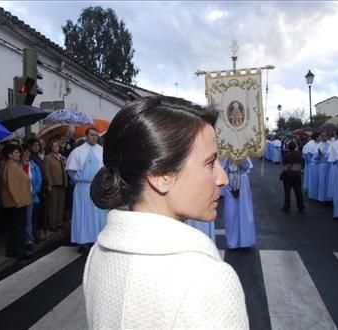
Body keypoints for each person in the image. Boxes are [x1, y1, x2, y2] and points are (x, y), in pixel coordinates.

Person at [85, 96, 248, 329]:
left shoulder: (97, 254)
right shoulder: (209, 279)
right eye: (210, 163)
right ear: (161, 176)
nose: (222, 178)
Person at [66, 127, 107, 254]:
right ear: (86, 136)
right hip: (83, 188)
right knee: (82, 215)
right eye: (92, 135)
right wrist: (80, 179)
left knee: (99, 215)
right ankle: (83, 242)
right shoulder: (77, 152)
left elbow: (107, 169)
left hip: (98, 187)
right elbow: (71, 171)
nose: (94, 137)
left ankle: (98, 240)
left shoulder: (102, 151)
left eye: (96, 135)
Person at [1, 144, 32, 260]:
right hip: (17, 203)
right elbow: (13, 187)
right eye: (16, 152)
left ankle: (12, 250)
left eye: (18, 152)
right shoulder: (11, 167)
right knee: (19, 228)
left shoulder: (13, 165)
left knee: (14, 228)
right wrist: (18, 202)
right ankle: (21, 251)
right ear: (9, 155)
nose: (19, 154)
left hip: (15, 202)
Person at [221, 156, 256, 248]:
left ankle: (245, 241)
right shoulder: (226, 158)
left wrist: (240, 159)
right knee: (230, 215)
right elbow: (223, 172)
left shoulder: (243, 156)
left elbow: (246, 167)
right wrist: (230, 189)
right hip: (229, 187)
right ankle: (232, 242)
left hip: (243, 186)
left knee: (244, 213)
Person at [20, 144, 42, 250]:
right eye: (25, 153)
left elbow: (39, 180)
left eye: (28, 153)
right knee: (21, 220)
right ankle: (22, 240)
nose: (27, 155)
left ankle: (29, 240)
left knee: (29, 219)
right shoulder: (17, 167)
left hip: (31, 196)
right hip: (20, 196)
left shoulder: (33, 165)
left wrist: (34, 191)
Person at [44, 139, 68, 232]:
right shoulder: (48, 158)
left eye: (57, 146)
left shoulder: (61, 157)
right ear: (51, 147)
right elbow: (47, 172)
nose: (55, 148)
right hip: (53, 183)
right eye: (54, 146)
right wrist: (49, 184)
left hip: (62, 183)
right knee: (52, 205)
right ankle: (52, 223)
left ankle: (59, 222)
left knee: (60, 204)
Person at [28, 138, 48, 241]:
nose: (37, 147)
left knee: (40, 212)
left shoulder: (38, 158)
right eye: (34, 145)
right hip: (35, 189)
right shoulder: (31, 158)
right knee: (34, 214)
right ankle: (35, 234)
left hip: (41, 187)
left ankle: (39, 232)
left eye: (38, 145)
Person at [280, 142, 305, 212]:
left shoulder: (286, 156)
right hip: (297, 175)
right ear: (295, 147)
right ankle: (301, 206)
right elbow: (302, 163)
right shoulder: (299, 155)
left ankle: (287, 207)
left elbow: (284, 165)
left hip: (288, 175)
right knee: (298, 191)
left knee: (287, 192)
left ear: (288, 147)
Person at [316, 132, 332, 202]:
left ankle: (329, 198)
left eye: (325, 136)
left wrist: (324, 154)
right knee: (322, 181)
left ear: (327, 136)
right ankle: (323, 197)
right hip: (322, 164)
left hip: (329, 165)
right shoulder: (319, 144)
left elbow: (331, 154)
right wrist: (319, 154)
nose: (323, 137)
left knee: (329, 181)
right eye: (322, 136)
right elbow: (315, 156)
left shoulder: (331, 144)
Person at [306, 133, 321, 200]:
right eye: (320, 136)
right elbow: (309, 155)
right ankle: (314, 194)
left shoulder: (320, 144)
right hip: (314, 164)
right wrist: (312, 162)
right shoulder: (311, 144)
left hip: (319, 164)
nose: (321, 138)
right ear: (316, 137)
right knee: (314, 180)